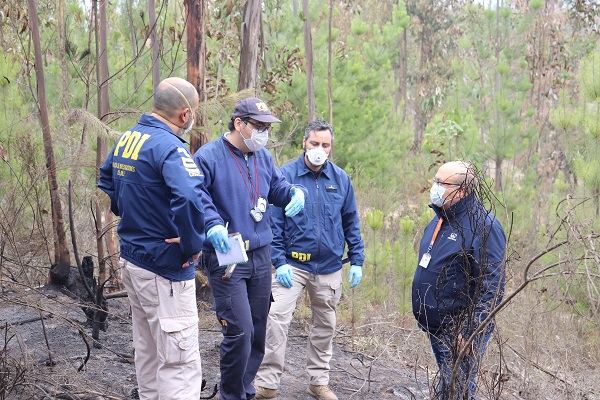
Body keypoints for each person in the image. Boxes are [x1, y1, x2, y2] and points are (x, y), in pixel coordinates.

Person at [98, 77, 205, 399]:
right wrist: (192, 244)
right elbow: (189, 197)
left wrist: (130, 212)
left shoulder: (129, 137)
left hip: (133, 260)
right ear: (185, 115)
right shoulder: (170, 147)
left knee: (148, 349)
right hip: (164, 268)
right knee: (178, 362)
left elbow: (106, 178)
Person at [193, 97, 306, 400]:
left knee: (256, 332)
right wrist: (213, 224)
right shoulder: (208, 157)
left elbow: (278, 189)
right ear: (239, 124)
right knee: (239, 332)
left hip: (261, 254)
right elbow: (198, 199)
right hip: (227, 252)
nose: (263, 133)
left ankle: (245, 390)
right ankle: (232, 395)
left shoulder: (263, 157)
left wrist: (296, 192)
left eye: (267, 128)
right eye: (258, 126)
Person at [254, 120, 365, 400]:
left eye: (325, 145)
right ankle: (267, 383)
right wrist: (279, 262)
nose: (319, 149)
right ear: (304, 143)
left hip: (328, 267)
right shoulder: (285, 176)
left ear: (331, 147)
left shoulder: (340, 179)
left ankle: (318, 381)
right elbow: (273, 223)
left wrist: (357, 259)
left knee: (325, 325)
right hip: (291, 264)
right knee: (276, 320)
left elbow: (351, 220)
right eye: (314, 143)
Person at [411, 161, 506, 400]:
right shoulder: (442, 216)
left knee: (459, 390)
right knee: (447, 386)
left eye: (442, 183)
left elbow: (492, 285)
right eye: (435, 180)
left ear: (462, 190)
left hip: (460, 329)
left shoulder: (484, 226)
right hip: (437, 325)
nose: (435, 187)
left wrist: (470, 330)